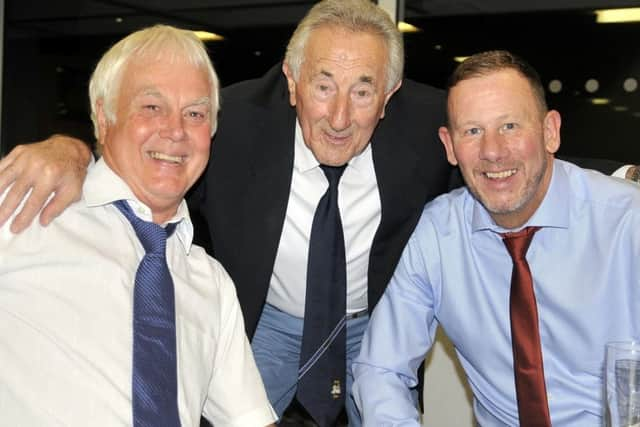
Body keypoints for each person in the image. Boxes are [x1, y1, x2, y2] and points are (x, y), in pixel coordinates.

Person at [0, 2, 635, 426]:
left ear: (388, 98)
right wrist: (73, 149)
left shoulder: (425, 128)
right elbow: (151, 148)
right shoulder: (225, 125)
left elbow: (506, 154)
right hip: (268, 315)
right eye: (323, 85)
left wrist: (621, 179)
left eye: (363, 91)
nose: (339, 115)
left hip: (374, 313)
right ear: (292, 80)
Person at [0, 24, 277, 427]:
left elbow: (248, 419)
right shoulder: (25, 210)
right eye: (152, 106)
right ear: (103, 115)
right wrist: (69, 147)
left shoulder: (210, 282)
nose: (176, 130)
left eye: (195, 113)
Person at [352, 50, 640, 426]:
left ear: (550, 131)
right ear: (450, 146)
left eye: (509, 126)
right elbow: (381, 371)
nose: (492, 151)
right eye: (472, 131)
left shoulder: (627, 223)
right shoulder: (436, 237)